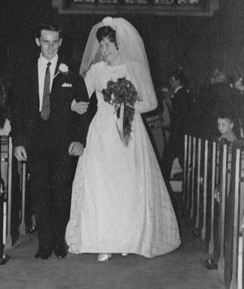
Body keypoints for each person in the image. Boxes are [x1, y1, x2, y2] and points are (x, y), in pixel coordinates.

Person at [66, 16, 180, 261]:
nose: (104, 50)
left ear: (120, 45)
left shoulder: (135, 69)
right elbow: (81, 99)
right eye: (102, 45)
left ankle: (128, 238)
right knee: (102, 184)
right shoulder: (96, 70)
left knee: (128, 184)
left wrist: (128, 105)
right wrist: (74, 105)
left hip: (129, 130)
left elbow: (151, 102)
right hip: (102, 132)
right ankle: (103, 241)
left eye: (109, 45)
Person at [11, 23, 90, 260]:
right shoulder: (25, 72)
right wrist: (19, 142)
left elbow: (84, 109)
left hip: (63, 143)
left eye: (55, 41)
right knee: (39, 193)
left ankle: (60, 240)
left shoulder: (71, 74)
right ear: (38, 42)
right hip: (35, 142)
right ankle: (44, 243)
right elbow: (18, 110)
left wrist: (79, 140)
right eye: (46, 41)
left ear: (60, 43)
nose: (51, 46)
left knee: (60, 193)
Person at [161, 69, 192, 184]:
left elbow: (179, 118)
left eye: (172, 80)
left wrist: (171, 129)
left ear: (178, 81)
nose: (170, 83)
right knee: (178, 160)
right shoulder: (183, 94)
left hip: (178, 135)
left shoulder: (180, 96)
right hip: (180, 134)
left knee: (168, 161)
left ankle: (165, 186)